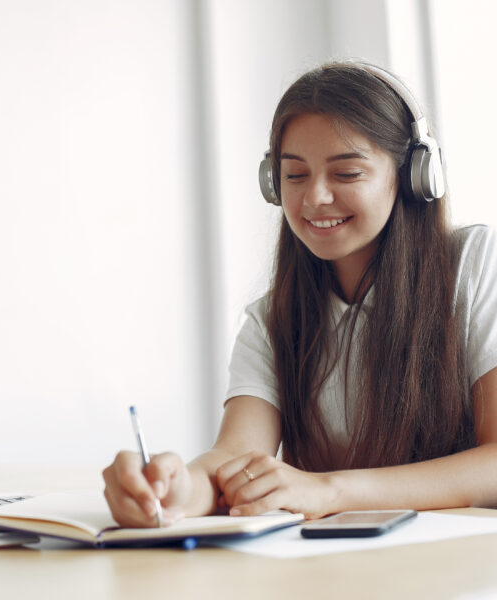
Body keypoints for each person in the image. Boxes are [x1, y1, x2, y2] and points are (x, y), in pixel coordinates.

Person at [103, 61, 497, 527]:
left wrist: (329, 490)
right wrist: (174, 490)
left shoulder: (473, 264)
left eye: (347, 173)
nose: (314, 198)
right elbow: (235, 459)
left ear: (414, 176)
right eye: (294, 176)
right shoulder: (273, 318)